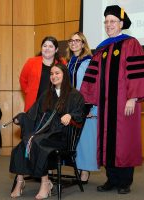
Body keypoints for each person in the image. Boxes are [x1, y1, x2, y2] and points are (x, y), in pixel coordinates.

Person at [80, 5, 144, 194]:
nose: (108, 25)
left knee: (124, 140)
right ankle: (111, 179)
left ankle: (124, 182)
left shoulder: (131, 44)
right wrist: (88, 100)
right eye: (106, 22)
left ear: (121, 24)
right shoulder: (102, 48)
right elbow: (92, 77)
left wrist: (133, 97)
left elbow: (137, 73)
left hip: (124, 102)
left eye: (112, 21)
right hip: (105, 105)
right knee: (107, 140)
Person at [10, 63, 85, 199]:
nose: (53, 76)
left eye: (57, 73)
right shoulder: (46, 95)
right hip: (44, 133)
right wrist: (21, 118)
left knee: (37, 142)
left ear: (65, 75)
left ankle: (45, 183)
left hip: (61, 136)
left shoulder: (75, 95)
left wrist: (70, 115)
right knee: (24, 143)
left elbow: (79, 114)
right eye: (51, 74)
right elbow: (33, 114)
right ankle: (20, 181)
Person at [66, 32, 98, 184]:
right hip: (71, 107)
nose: (74, 43)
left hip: (87, 106)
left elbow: (94, 86)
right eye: (71, 41)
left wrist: (92, 108)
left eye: (77, 41)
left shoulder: (90, 62)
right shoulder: (68, 62)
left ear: (83, 43)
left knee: (86, 139)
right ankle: (78, 168)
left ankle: (85, 170)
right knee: (74, 140)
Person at [19, 36, 65, 112]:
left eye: (50, 46)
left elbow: (65, 82)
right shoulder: (31, 62)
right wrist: (29, 91)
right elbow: (23, 80)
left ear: (56, 49)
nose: (47, 48)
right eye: (45, 46)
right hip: (34, 105)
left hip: (54, 104)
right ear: (41, 48)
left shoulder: (62, 63)